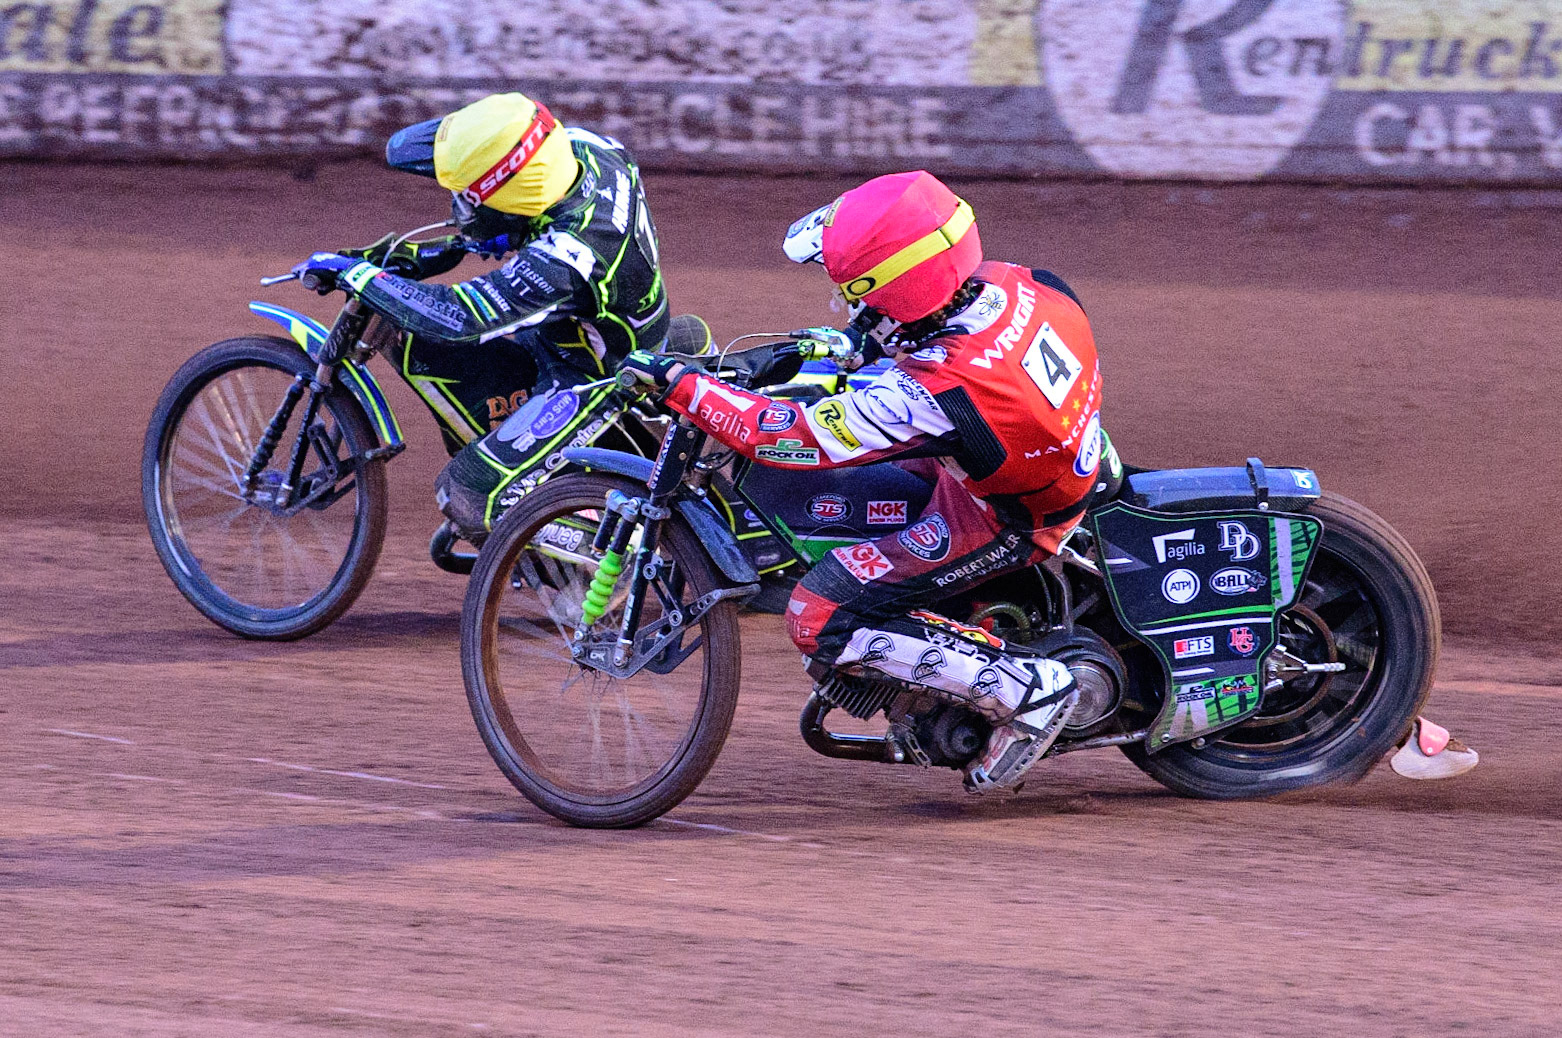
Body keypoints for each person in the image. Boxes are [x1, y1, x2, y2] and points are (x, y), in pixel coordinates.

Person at [622, 170, 1098, 792]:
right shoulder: (1021, 282)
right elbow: (911, 340)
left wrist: (683, 387)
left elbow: (785, 436)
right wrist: (832, 348)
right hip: (1048, 453)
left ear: (897, 285)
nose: (847, 302)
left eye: (855, 289)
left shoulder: (938, 389)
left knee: (816, 613)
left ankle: (1029, 692)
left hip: (1006, 517)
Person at [288, 91, 690, 534]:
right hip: (599, 326)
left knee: (465, 494)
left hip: (593, 376)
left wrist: (358, 275)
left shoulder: (565, 260)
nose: (456, 206)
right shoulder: (589, 149)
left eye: (466, 199)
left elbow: (458, 319)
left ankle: (589, 554)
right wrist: (500, 234)